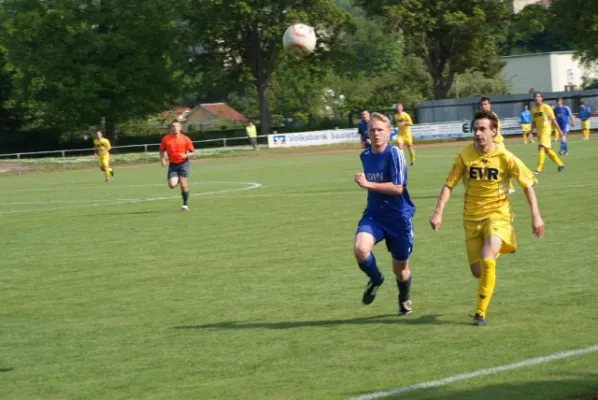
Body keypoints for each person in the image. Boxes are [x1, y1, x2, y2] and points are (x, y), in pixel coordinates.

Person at [429, 111, 544, 326]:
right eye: (475, 129)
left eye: (483, 129)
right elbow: (449, 185)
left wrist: (536, 216)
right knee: (477, 271)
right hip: (471, 219)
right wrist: (438, 212)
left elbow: (527, 185)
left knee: (488, 254)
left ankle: (480, 313)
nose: (478, 133)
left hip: (498, 214)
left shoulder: (505, 157)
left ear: (494, 132)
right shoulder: (464, 156)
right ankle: (493, 253)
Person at [353, 112, 415, 316]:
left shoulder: (395, 154)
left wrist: (368, 184)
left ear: (389, 132)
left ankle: (404, 299)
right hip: (374, 215)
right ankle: (376, 279)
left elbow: (397, 188)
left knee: (400, 269)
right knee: (360, 249)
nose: (376, 133)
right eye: (372, 130)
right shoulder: (365, 156)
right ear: (368, 133)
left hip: (398, 219)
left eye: (380, 130)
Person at [479, 97, 515, 194]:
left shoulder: (492, 116)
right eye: (482, 104)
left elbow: (494, 131)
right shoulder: (481, 118)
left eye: (485, 104)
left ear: (489, 105)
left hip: (497, 144)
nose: (484, 106)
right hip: (489, 146)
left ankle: (509, 186)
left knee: (504, 165)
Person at [159, 120, 196, 211]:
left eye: (176, 126)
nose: (175, 128)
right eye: (173, 126)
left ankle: (185, 205)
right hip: (173, 165)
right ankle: (179, 179)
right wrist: (163, 159)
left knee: (183, 185)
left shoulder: (185, 139)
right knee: (172, 185)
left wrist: (186, 155)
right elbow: (161, 150)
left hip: (183, 164)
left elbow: (193, 152)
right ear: (170, 128)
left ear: (180, 128)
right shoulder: (166, 139)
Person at [531, 91, 565, 174]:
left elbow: (553, 120)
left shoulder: (546, 107)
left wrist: (559, 130)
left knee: (541, 147)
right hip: (539, 132)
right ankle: (560, 164)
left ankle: (539, 169)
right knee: (547, 150)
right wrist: (530, 132)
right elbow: (533, 122)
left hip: (546, 130)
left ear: (542, 98)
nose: (537, 98)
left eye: (538, 96)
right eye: (535, 97)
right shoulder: (533, 109)